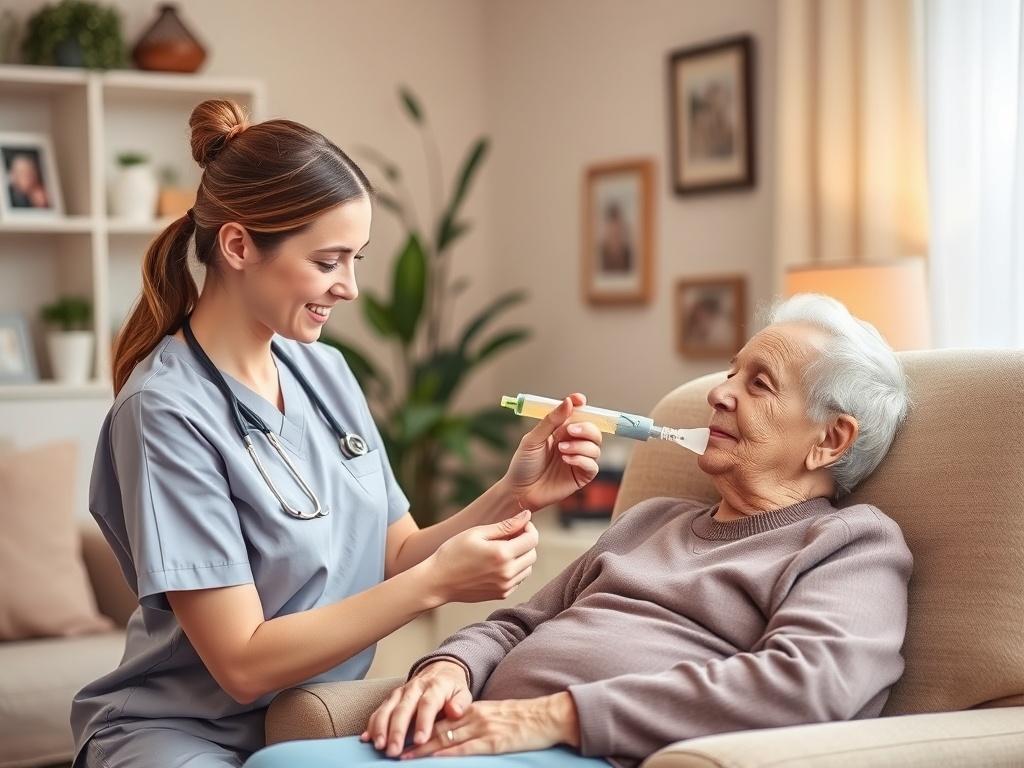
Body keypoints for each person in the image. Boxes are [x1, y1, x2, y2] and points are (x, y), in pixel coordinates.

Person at [70, 99, 603, 768]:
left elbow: (397, 552)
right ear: (238, 246)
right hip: (182, 734)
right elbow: (241, 663)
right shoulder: (165, 412)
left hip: (307, 724)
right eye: (328, 262)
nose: (349, 287)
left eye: (356, 258)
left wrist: (516, 492)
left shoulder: (324, 370)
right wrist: (439, 583)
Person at [246, 293, 914, 768]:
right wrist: (448, 668)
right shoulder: (652, 520)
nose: (720, 392)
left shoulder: (849, 546)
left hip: (592, 751)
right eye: (730, 372)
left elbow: (804, 687)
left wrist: (554, 715)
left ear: (831, 439)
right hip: (489, 734)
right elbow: (516, 624)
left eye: (758, 383)